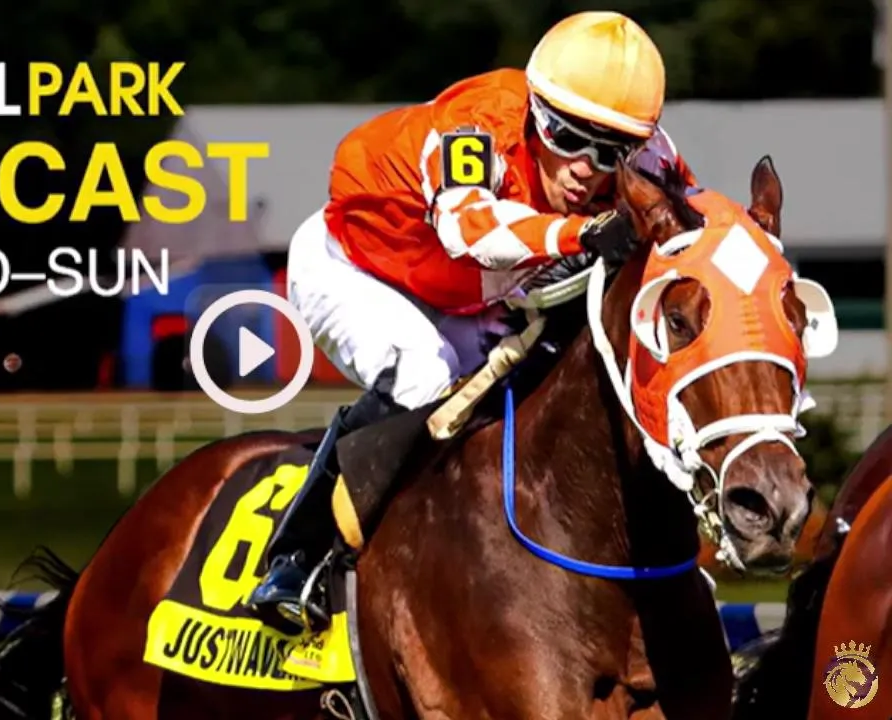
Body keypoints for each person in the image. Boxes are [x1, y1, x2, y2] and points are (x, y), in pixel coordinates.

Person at [244, 10, 700, 634]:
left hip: (469, 294)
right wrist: (581, 233)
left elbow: (698, 224)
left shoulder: (651, 156)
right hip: (357, 267)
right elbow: (470, 231)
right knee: (424, 374)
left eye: (610, 151)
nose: (585, 168)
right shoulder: (477, 121)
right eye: (567, 137)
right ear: (535, 109)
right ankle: (298, 555)